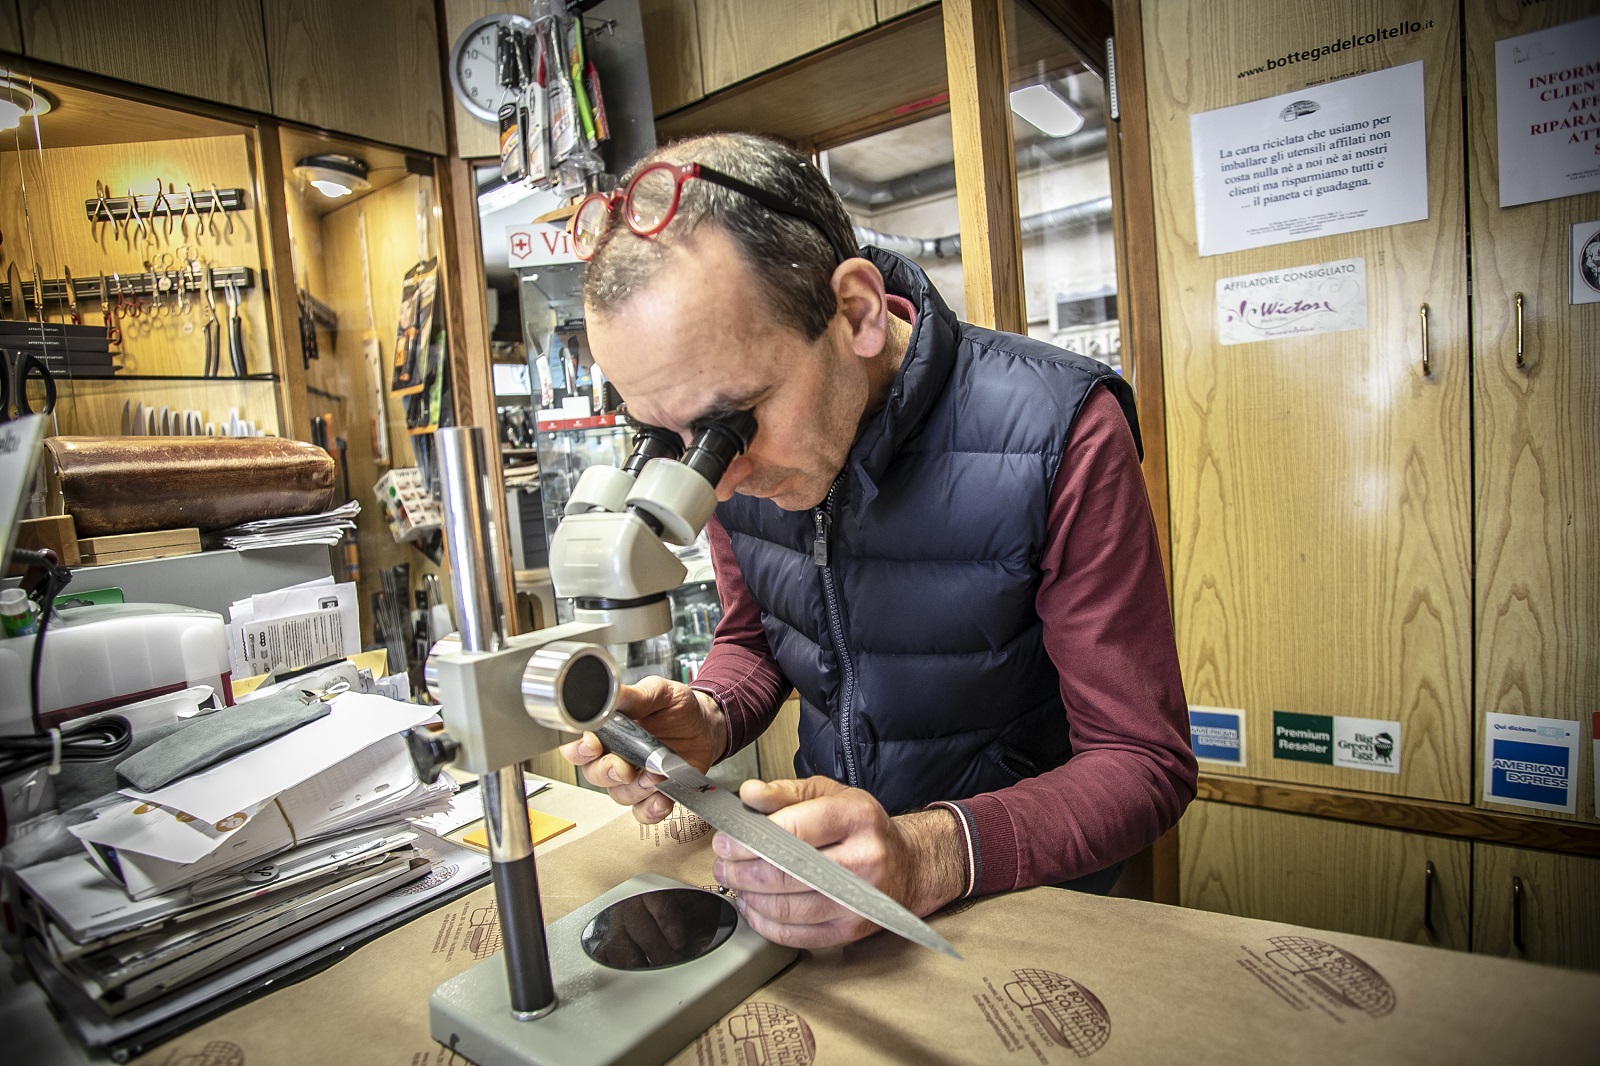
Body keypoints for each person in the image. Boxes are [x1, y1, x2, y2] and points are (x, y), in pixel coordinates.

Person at [559, 132, 1196, 950]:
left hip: (1024, 902)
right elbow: (757, 637)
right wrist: (709, 717)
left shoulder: (1060, 430)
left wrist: (928, 853)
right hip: (832, 888)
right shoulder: (733, 467)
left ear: (856, 311)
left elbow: (1143, 762)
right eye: (670, 438)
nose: (712, 482)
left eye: (729, 424)